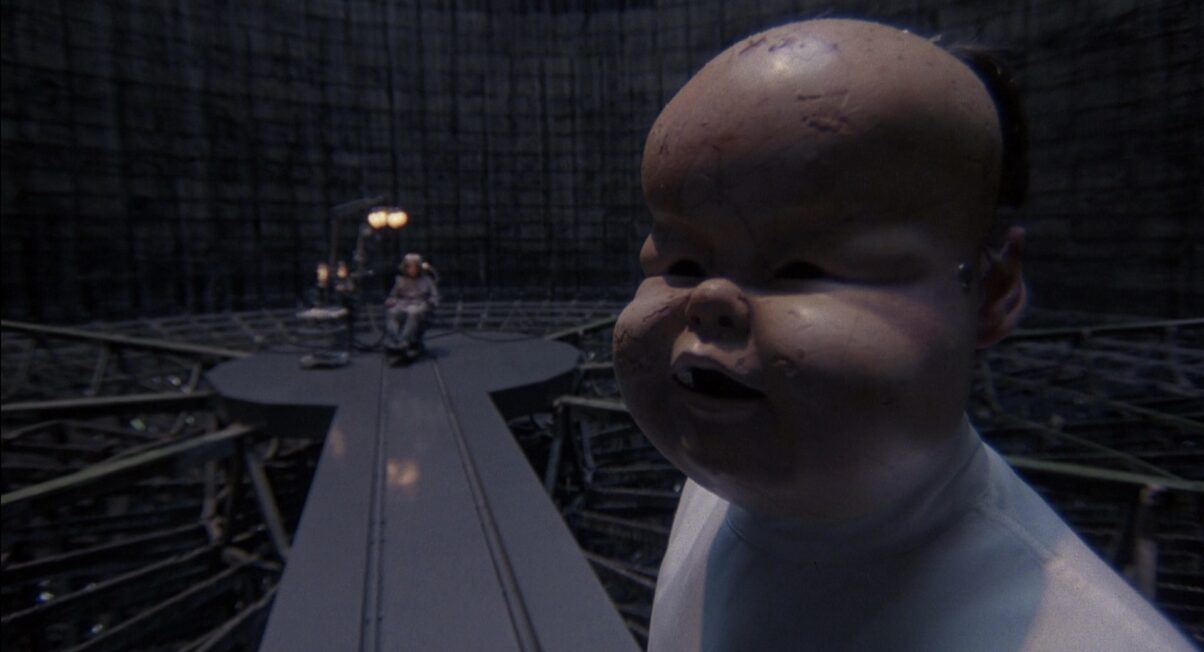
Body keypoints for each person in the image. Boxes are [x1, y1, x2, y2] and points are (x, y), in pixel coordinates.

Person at [612, 18, 1193, 651]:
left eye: (803, 269)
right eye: (681, 265)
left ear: (991, 292)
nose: (709, 302)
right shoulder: (714, 484)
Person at [385, 253, 438, 353]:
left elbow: (434, 297)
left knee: (413, 312)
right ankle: (395, 339)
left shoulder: (427, 280)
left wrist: (429, 303)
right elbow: (393, 295)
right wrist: (391, 300)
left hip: (420, 305)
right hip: (403, 304)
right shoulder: (400, 280)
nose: (412, 269)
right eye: (410, 267)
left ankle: (405, 340)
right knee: (392, 312)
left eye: (415, 267)